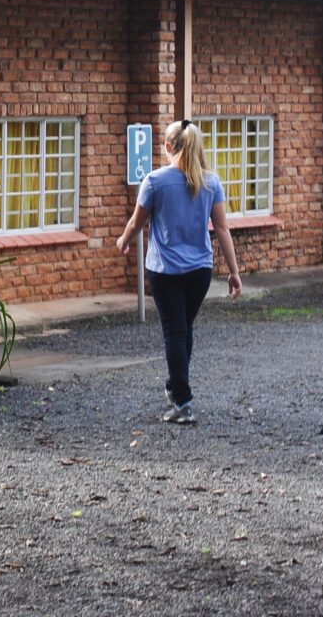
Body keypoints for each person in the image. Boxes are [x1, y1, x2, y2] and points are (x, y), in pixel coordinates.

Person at [116, 119, 242, 425]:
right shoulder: (211, 182)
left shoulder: (155, 181)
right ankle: (175, 387)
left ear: (169, 147)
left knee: (175, 330)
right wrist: (234, 272)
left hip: (166, 270)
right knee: (183, 327)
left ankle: (183, 401)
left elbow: (137, 223)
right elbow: (222, 229)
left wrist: (122, 240)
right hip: (200, 270)